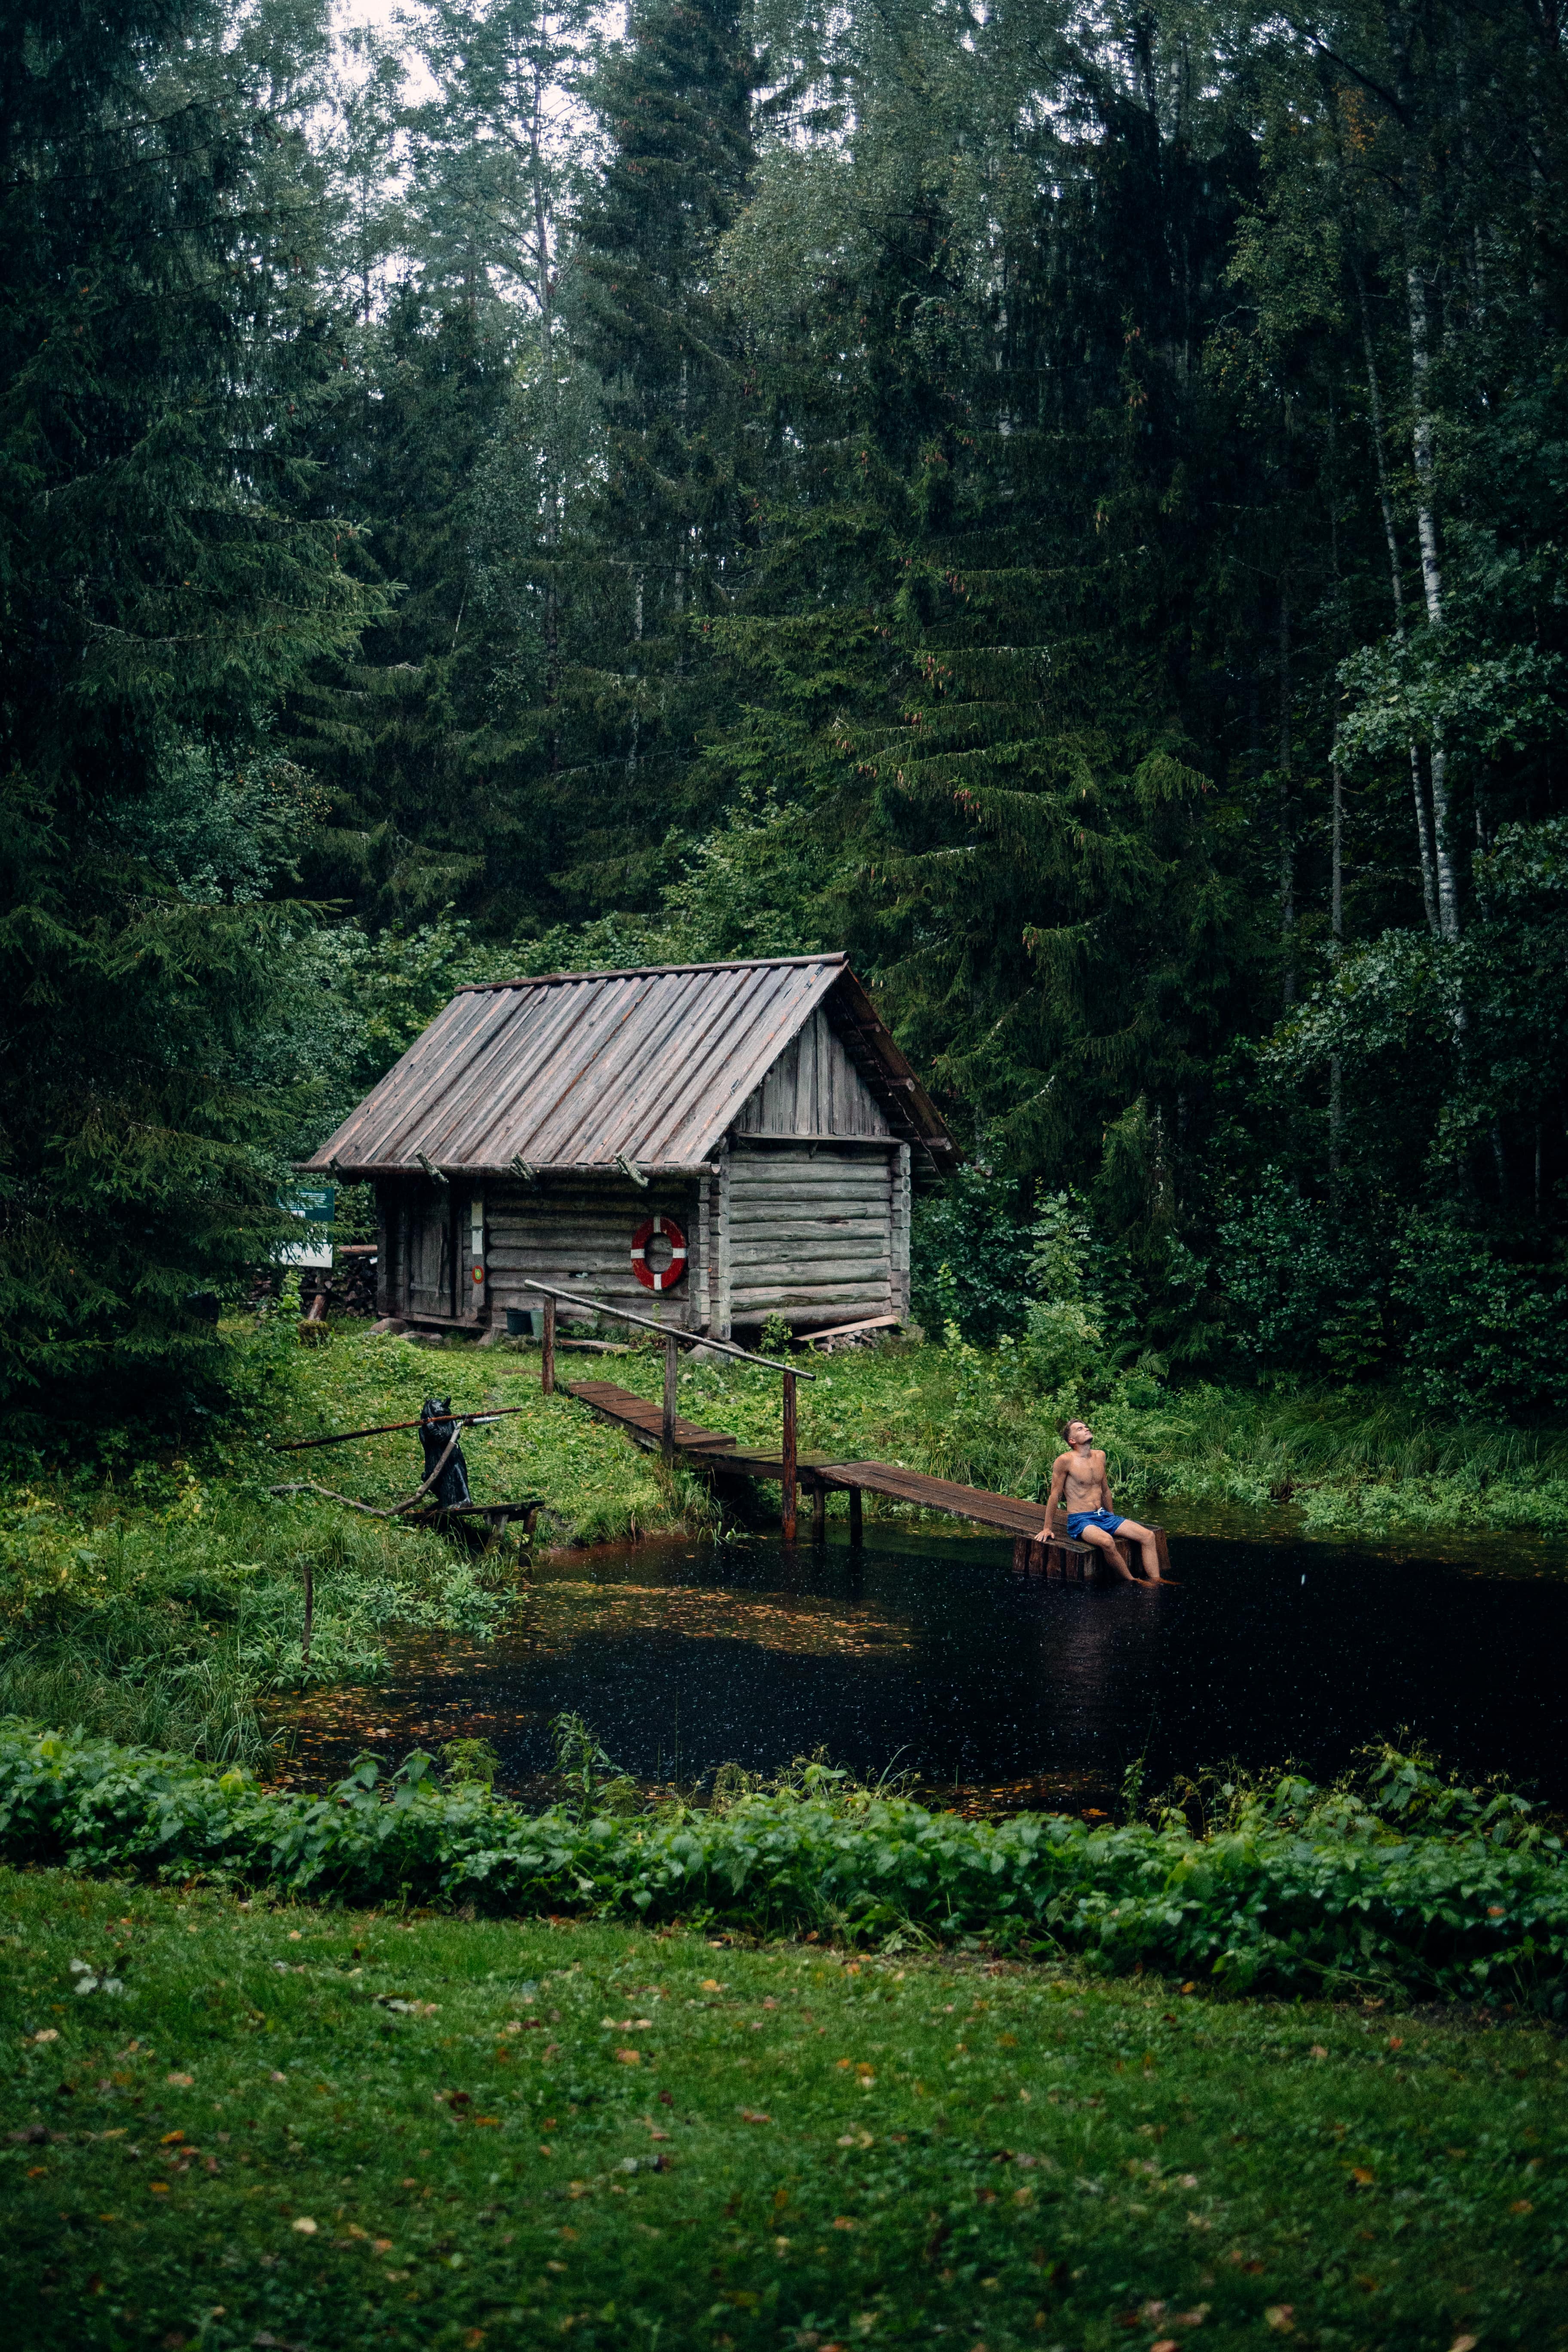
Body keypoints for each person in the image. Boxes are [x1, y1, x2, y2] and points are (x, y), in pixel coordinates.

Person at [1041, 1418, 1161, 1581]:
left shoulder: (1100, 1456)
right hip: (1081, 1520)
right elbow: (1055, 1495)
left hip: (1103, 1516)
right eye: (1080, 1429)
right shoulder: (1065, 1461)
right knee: (1107, 1541)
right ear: (1072, 1440)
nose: (1086, 1429)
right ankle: (1133, 1581)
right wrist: (1047, 1528)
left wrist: (1112, 1517)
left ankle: (1156, 1581)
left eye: (1085, 1427)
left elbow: (1105, 1491)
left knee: (1148, 1536)